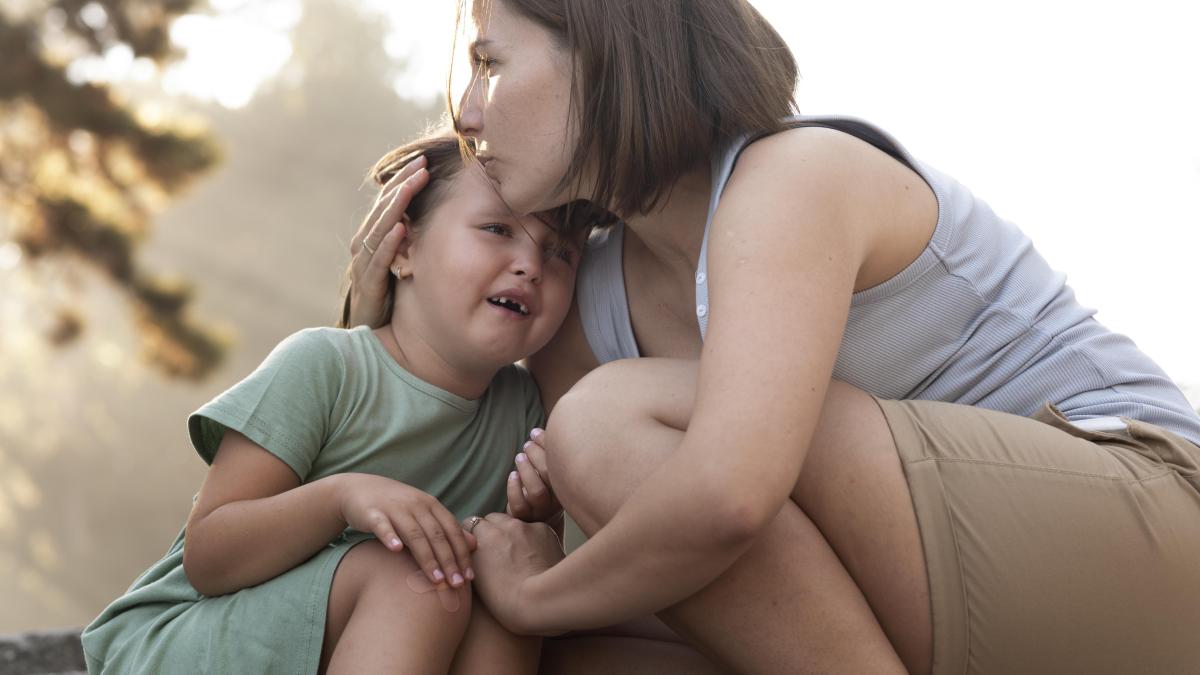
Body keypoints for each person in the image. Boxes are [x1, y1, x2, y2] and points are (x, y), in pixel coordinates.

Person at [347, 1, 1200, 673]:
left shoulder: (793, 177)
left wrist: (537, 595)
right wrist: (388, 324)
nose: (465, 110)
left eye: (490, 62)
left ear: (608, 57)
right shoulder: (590, 300)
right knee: (579, 656)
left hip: (1146, 522)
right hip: (951, 597)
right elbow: (590, 544)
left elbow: (725, 496)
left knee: (606, 428)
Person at [81, 132, 589, 675]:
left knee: (500, 593)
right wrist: (342, 497)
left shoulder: (525, 413)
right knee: (418, 582)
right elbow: (208, 557)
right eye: (497, 229)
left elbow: (526, 564)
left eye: (557, 251)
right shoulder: (326, 365)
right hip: (187, 637)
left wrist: (534, 517)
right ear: (403, 250)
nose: (531, 265)